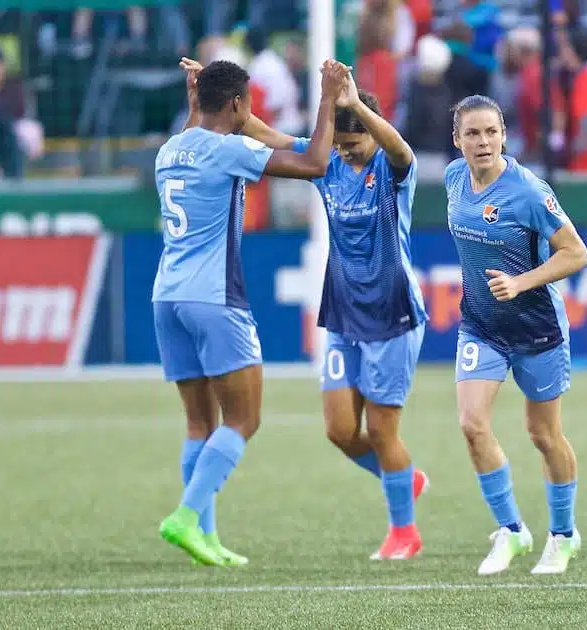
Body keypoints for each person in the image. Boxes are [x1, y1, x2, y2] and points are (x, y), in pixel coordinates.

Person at [225, 65, 434, 561]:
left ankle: (404, 532)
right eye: (339, 144)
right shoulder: (330, 164)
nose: (344, 151)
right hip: (342, 310)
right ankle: (405, 478)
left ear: (371, 134)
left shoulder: (392, 169)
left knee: (383, 432)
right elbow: (263, 131)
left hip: (391, 311)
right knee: (340, 431)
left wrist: (356, 104)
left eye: (353, 143)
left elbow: (401, 150)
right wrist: (211, 90)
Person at [153, 58, 343, 566]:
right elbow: (314, 165)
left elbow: (205, 123)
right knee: (244, 420)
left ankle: (205, 539)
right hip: (213, 296)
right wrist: (326, 96)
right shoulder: (229, 149)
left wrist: (196, 99)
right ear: (238, 103)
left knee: (200, 424)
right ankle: (186, 518)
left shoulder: (172, 148)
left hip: (166, 297)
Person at [444, 95, 587, 575]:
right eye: (472, 133)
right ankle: (511, 530)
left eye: (491, 132)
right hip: (481, 327)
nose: (482, 142)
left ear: (504, 135)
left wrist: (521, 282)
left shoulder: (528, 190)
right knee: (471, 424)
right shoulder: (452, 180)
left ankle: (563, 536)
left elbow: (575, 253)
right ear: (457, 140)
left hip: (537, 329)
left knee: (544, 435)